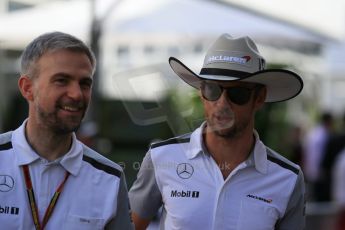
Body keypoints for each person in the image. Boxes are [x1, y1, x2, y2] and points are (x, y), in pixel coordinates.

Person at [129, 34, 306, 230]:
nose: (222, 103)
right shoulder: (161, 158)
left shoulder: (287, 179)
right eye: (212, 90)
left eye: (237, 93)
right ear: (201, 93)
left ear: (259, 98)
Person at [0, 32, 133, 229]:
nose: (76, 94)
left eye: (84, 83)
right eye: (61, 80)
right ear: (27, 88)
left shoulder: (109, 178)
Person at [303, 112, 333, 201]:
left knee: (313, 194)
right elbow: (320, 154)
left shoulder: (314, 132)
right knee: (318, 196)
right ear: (328, 121)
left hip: (311, 169)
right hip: (319, 170)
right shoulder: (324, 135)